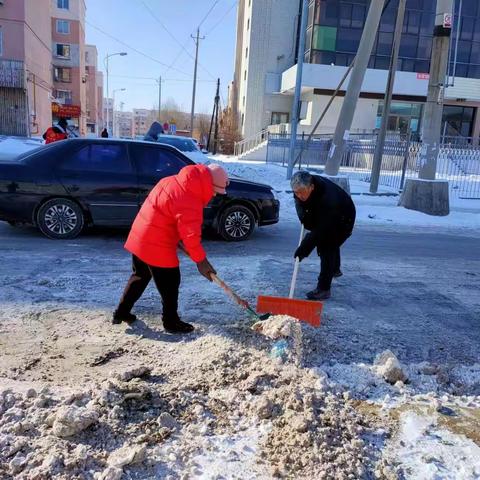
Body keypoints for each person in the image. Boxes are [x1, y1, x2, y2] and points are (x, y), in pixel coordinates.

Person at [113, 163, 229, 333]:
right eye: (214, 192)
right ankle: (171, 322)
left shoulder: (173, 180)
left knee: (140, 275)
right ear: (208, 184)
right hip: (157, 243)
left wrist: (182, 241)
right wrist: (201, 262)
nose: (213, 195)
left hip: (141, 236)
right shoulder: (190, 197)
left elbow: (169, 215)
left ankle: (121, 312)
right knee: (170, 283)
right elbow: (191, 236)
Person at [291, 171, 356, 301]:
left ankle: (324, 288)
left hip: (344, 218)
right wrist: (305, 218)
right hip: (325, 213)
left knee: (326, 246)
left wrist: (304, 249)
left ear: (312, 187)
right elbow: (301, 206)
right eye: (296, 192)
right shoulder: (302, 190)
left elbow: (320, 231)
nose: (299, 195)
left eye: (302, 192)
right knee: (328, 242)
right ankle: (335, 269)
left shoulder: (329, 199)